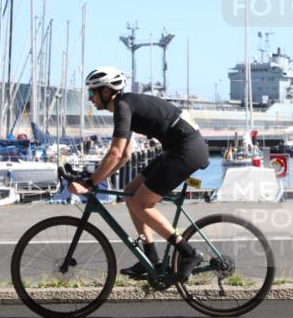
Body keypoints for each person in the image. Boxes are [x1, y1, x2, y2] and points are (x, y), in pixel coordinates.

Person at [69, 66, 210, 282]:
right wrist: (98, 179)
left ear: (106, 92)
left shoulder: (123, 106)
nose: (90, 99)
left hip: (186, 150)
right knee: (130, 192)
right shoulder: (127, 105)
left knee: (140, 204)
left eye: (92, 93)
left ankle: (188, 252)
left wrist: (89, 183)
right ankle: (151, 258)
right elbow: (125, 154)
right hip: (179, 148)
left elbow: (115, 152)